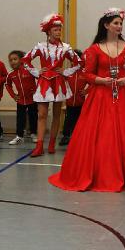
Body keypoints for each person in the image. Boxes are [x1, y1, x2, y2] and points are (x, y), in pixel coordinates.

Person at [49, 8, 125, 192]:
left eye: (121, 23)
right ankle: (104, 173)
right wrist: (101, 80)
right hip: (101, 96)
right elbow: (87, 73)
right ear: (106, 25)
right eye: (116, 23)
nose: (119, 26)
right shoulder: (94, 49)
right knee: (102, 132)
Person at [25, 14, 79, 157]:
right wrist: (36, 72)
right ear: (48, 31)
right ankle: (39, 146)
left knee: (56, 115)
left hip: (59, 83)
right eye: (55, 29)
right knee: (42, 114)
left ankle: (51, 144)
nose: (58, 32)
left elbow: (79, 62)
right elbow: (25, 60)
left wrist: (66, 71)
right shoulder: (40, 46)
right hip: (44, 82)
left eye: (59, 29)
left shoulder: (66, 48)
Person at [5, 50, 38, 145]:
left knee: (33, 117)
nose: (12, 62)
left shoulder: (29, 69)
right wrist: (13, 95)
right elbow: (7, 85)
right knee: (20, 119)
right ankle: (19, 136)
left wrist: (37, 91)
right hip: (21, 101)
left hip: (32, 100)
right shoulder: (11, 74)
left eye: (15, 59)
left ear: (21, 60)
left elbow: (39, 78)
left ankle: (33, 134)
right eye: (10, 60)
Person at [59, 50, 88, 147]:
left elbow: (93, 84)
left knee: (79, 120)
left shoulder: (85, 72)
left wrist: (86, 91)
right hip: (69, 102)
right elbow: (61, 82)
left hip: (80, 102)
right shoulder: (67, 72)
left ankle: (78, 137)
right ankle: (66, 136)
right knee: (68, 119)